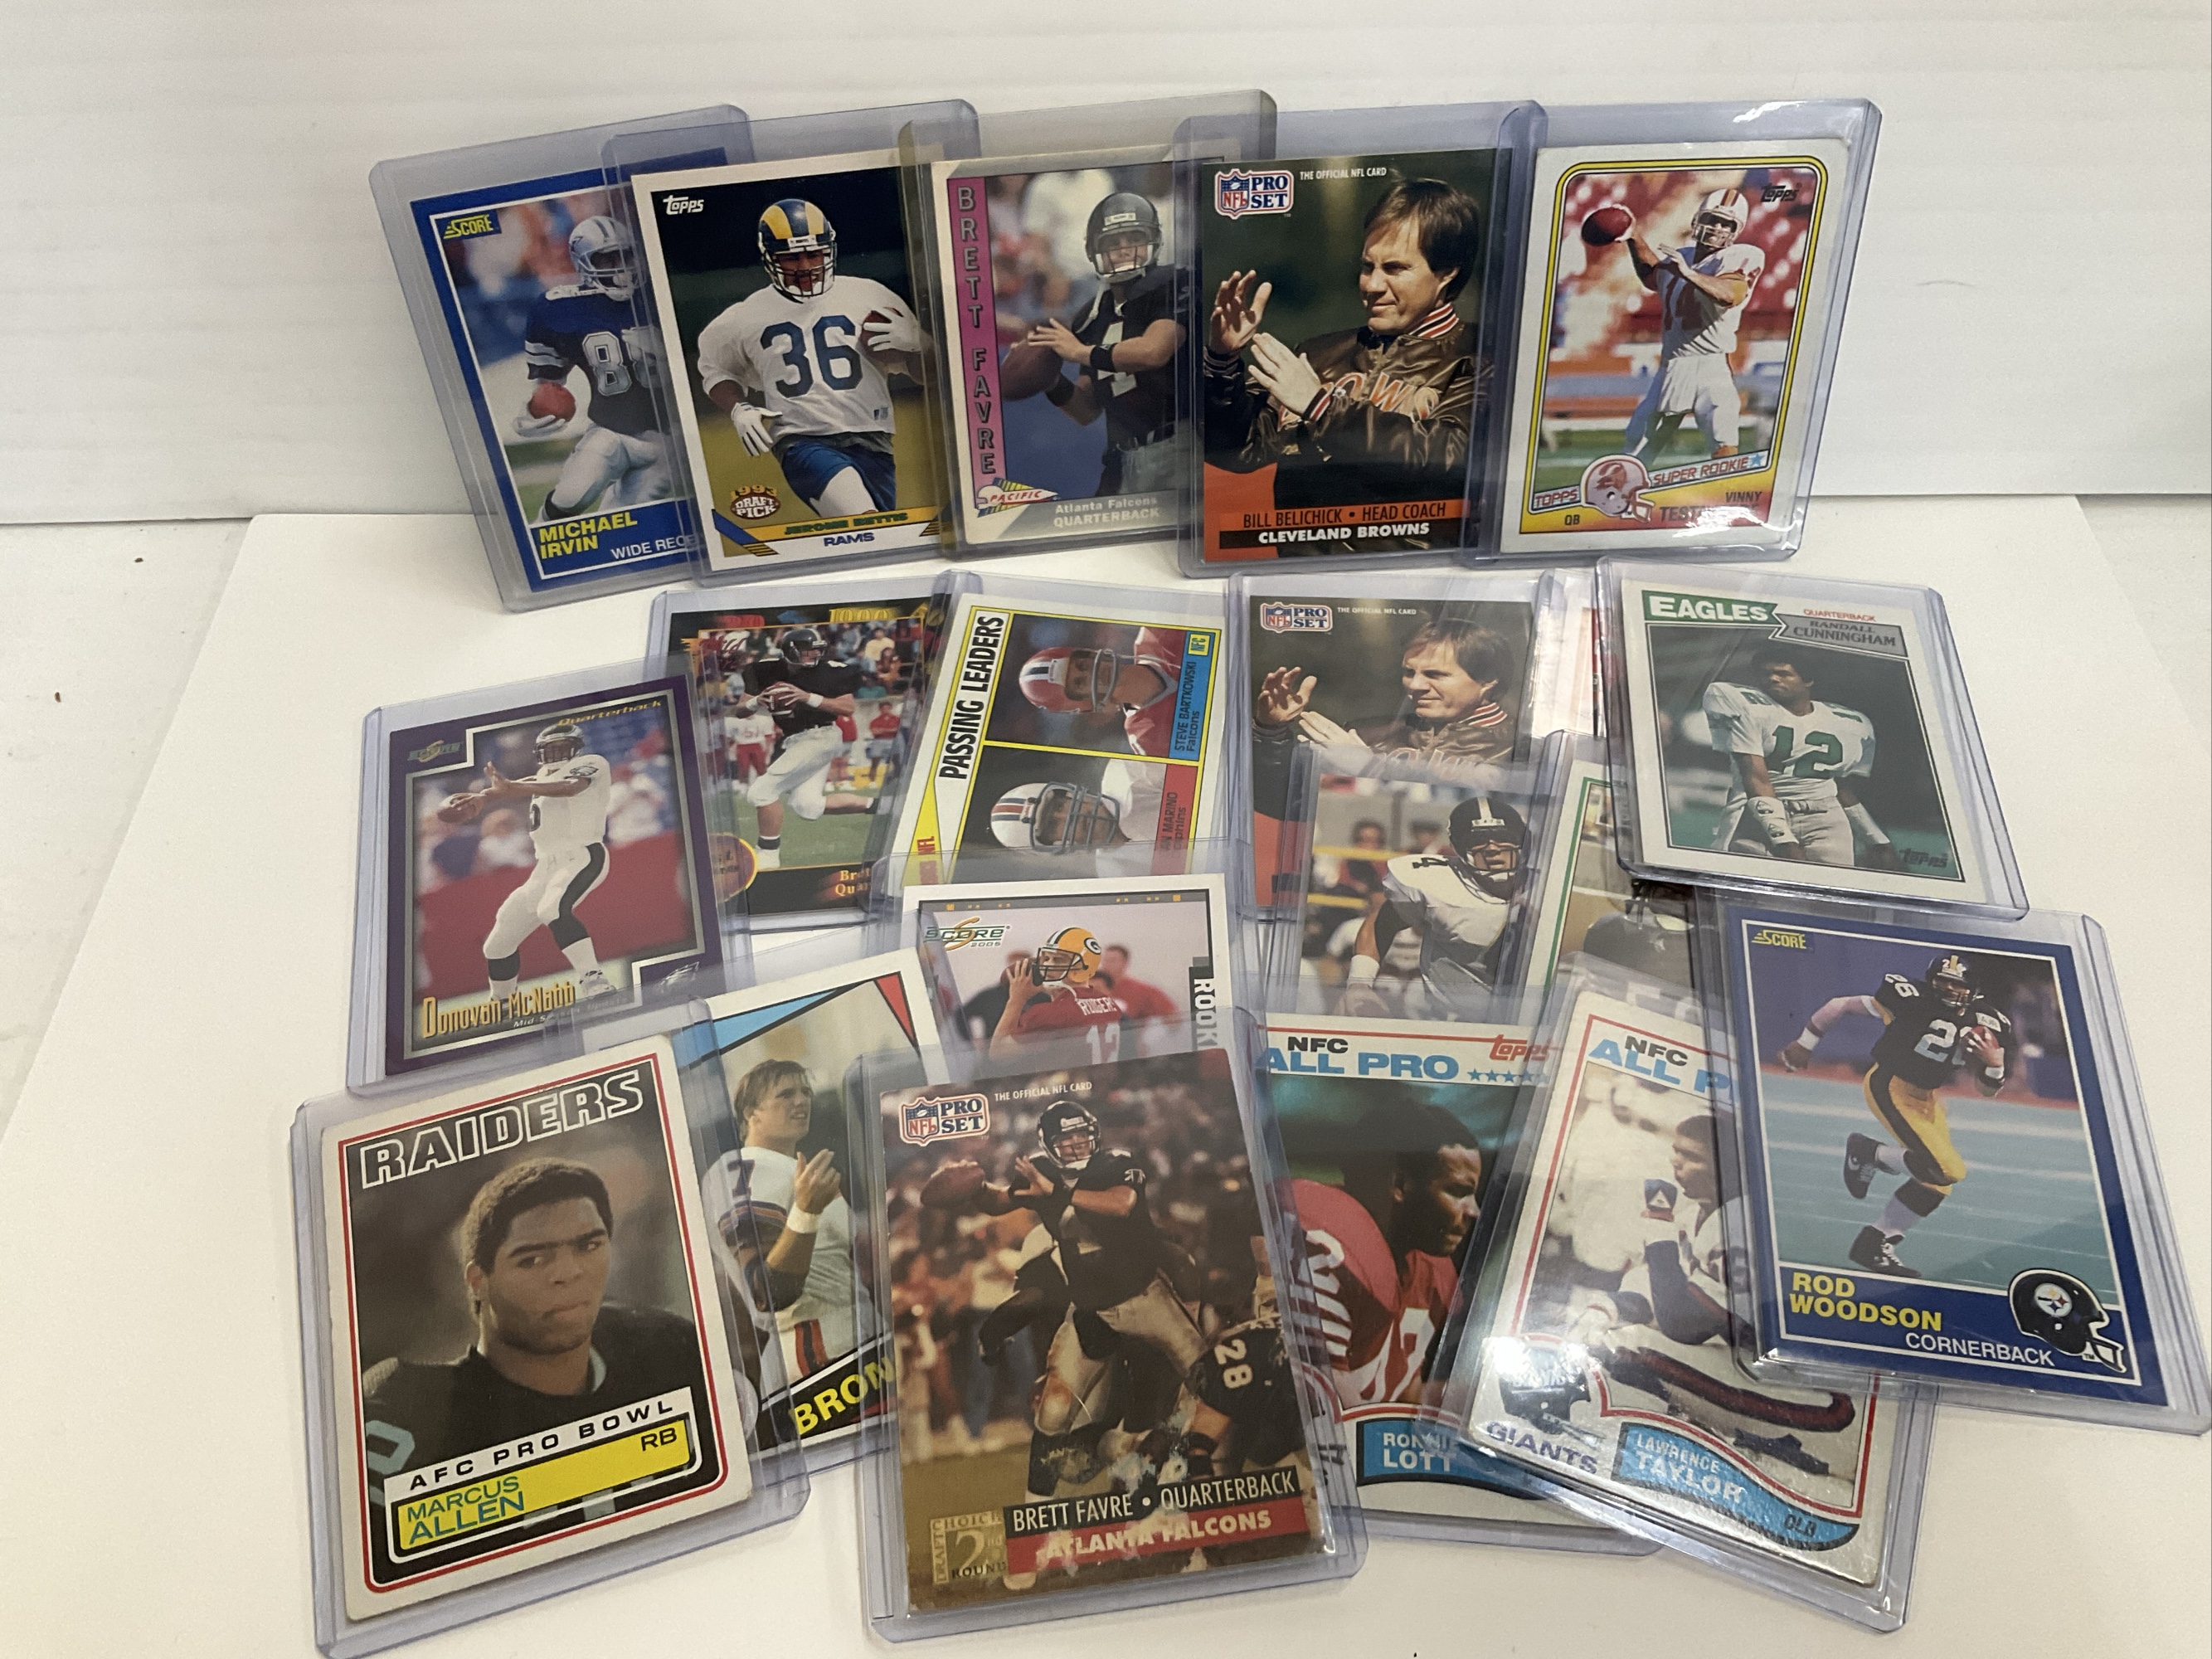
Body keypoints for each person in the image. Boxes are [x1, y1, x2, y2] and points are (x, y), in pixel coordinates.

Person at [358, 1160, 712, 1560]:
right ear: (478, 1282)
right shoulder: (405, 1412)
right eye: (531, 1260)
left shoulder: (665, 1350)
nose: (569, 1272)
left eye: (589, 1246)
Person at [962, 1100, 1208, 1579]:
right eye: (1065, 1137)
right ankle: (1032, 1541)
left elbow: (1121, 1203)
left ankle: (1204, 1525)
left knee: (1210, 1393)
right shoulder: (1042, 1179)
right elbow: (999, 1201)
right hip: (1091, 1311)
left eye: (1080, 1134)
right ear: (1049, 1144)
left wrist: (1057, 1191)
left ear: (1094, 1134)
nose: (1075, 1143)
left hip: (1149, 1301)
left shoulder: (1114, 1162)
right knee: (1053, 1412)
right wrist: (972, 1186)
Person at [1206, 178, 1484, 555]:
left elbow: (1451, 461)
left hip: (1415, 579)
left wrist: (1322, 408)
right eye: (1367, 267)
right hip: (1301, 576)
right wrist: (1222, 362)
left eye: (1394, 268)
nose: (1372, 285)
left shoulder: (1482, 353)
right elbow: (1237, 452)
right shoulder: (1318, 353)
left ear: (1447, 272)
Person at [1779, 952, 2016, 1277]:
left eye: (1957, 984)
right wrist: (1805, 1043)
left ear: (1973, 989)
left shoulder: (1986, 1021)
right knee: (1947, 1170)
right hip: (1891, 1085)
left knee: (1937, 1184)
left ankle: (1875, 1243)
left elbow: (1987, 1090)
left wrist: (1994, 1064)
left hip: (1926, 1098)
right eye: (1942, 981)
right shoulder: (1911, 1000)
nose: (1949, 989)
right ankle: (1869, 1153)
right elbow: (1841, 1004)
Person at [693, 198, 928, 519]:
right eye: (791, 257)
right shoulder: (745, 315)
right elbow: (716, 369)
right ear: (770, 257)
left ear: (829, 250)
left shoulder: (871, 295)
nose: (804, 266)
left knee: (878, 533)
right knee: (865, 520)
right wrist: (739, 409)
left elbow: (925, 374)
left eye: (813, 254)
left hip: (874, 437)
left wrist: (918, 346)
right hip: (803, 443)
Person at [1290, 1102, 1484, 1408]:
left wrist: (1485, 1398)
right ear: (1400, 1185)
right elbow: (1331, 1412)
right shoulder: (1325, 1249)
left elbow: (1402, 1393)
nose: (1474, 1211)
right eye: (1458, 1191)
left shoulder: (1428, 1270)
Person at [1018, 192, 1185, 499]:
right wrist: (1051, 380)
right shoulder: (1091, 316)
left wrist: (1081, 352)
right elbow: (1086, 410)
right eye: (1112, 242)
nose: (1123, 249)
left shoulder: (1173, 284)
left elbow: (1154, 351)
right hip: (1120, 457)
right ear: (1094, 251)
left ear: (1154, 240)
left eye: (1134, 238)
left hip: (1177, 448)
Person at [442, 721, 618, 1011]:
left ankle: (594, 980)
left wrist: (511, 788)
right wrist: (483, 796)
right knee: (498, 942)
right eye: (550, 749)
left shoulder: (592, 763)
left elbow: (570, 786)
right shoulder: (542, 776)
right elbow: (522, 785)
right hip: (545, 866)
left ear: (575, 748)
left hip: (582, 854)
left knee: (552, 909)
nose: (555, 754)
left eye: (561, 747)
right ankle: (502, 1004)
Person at [700, 1060, 853, 1384]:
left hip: (842, 1328)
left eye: (805, 1092)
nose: (801, 1101)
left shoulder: (794, 1170)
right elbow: (767, 1291)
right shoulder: (745, 1168)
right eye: (786, 1094)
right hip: (813, 1341)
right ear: (751, 1114)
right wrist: (806, 1212)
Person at [513, 216, 674, 521]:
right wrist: (533, 411)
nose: (621, 267)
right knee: (570, 497)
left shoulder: (663, 296)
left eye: (626, 256)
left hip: (668, 441)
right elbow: (549, 386)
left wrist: (668, 352)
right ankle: (540, 536)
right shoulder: (560, 309)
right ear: (584, 264)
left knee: (625, 519)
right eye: (607, 259)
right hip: (609, 430)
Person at [1702, 645, 1898, 869]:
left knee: (1830, 883)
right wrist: (1784, 841)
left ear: (1808, 680)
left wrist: (1876, 840)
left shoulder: (1847, 722)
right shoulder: (1749, 708)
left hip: (1824, 817)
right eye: (1766, 673)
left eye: (1783, 673)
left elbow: (1842, 789)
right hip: (1757, 814)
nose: (1772, 679)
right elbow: (1756, 780)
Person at [1609, 187, 1765, 465]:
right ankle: (1625, 488)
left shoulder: (1738, 256)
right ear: (1697, 219)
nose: (1718, 228)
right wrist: (1633, 236)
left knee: (1723, 436)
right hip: (1674, 363)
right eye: (1713, 219)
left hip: (1711, 363)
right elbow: (1652, 277)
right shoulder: (1681, 256)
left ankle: (1726, 488)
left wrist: (1690, 274)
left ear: (1736, 230)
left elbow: (1729, 294)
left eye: (1726, 224)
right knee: (1638, 442)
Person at [1341, 793, 1529, 1017]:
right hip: (1451, 1020)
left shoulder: (1546, 885)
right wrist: (1359, 985)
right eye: (1479, 840)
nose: (1492, 848)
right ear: (1459, 846)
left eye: (1501, 837)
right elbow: (1381, 923)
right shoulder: (1439, 884)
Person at [728, 626, 863, 870]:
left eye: (817, 650)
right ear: (791, 651)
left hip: (821, 735)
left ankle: (768, 855)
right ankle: (877, 805)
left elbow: (848, 708)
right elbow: (740, 711)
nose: (815, 655)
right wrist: (757, 701)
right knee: (807, 806)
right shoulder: (765, 671)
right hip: (794, 739)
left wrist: (806, 697)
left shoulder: (828, 672)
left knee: (761, 791)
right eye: (809, 650)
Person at [1015, 625, 1187, 758]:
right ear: (1085, 703)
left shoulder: (1157, 634)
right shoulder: (1147, 738)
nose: (1092, 674)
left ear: (1090, 654)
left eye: (1082, 665)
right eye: (1080, 683)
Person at [986, 757, 1167, 878]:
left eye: (1059, 806)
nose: (1067, 816)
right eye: (1053, 825)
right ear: (1053, 844)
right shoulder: (1117, 875)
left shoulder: (1127, 775)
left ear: (1069, 794)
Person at [988, 927, 1127, 1067]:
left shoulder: (1050, 1013)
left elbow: (998, 1053)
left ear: (1083, 967)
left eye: (1058, 960)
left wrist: (1016, 1000)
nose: (1047, 965)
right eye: (1046, 958)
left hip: (1067, 1080)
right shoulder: (1108, 1003)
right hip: (1099, 1078)